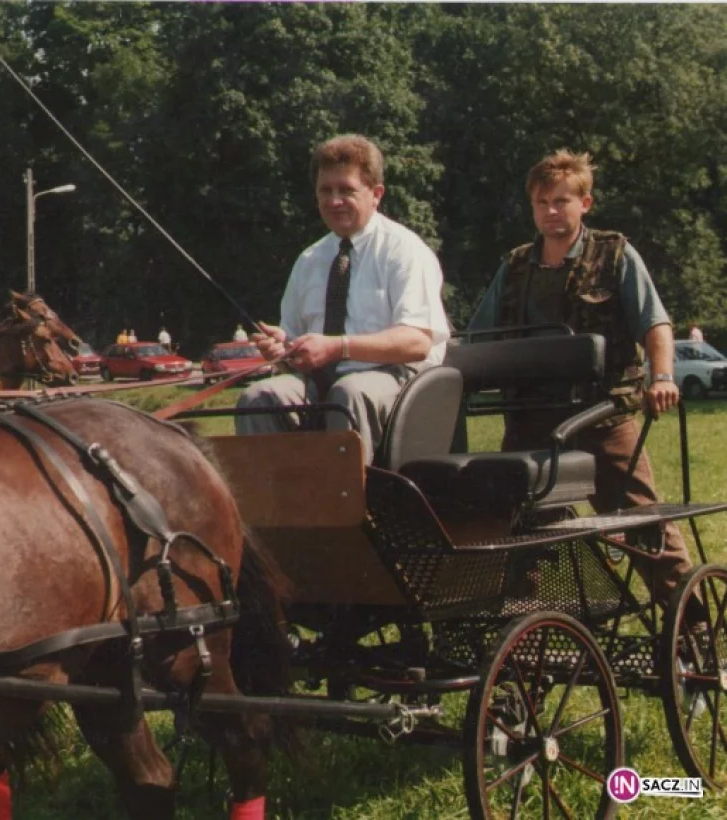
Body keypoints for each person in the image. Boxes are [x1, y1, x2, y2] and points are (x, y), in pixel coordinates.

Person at [467, 149, 692, 606]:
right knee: (514, 532)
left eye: (562, 201)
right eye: (542, 202)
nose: (551, 211)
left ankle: (694, 630)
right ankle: (520, 639)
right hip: (530, 421)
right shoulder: (514, 268)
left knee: (645, 525)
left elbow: (655, 324)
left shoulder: (614, 254)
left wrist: (662, 375)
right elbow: (477, 338)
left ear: (584, 203)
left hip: (602, 418)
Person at [235, 134, 451, 464]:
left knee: (348, 393)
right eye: (325, 191)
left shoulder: (404, 251)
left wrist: (338, 347)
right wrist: (283, 348)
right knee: (258, 397)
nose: (334, 201)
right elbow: (294, 348)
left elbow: (417, 341)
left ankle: (350, 511)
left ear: (376, 194)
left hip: (396, 382)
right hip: (320, 384)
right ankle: (270, 511)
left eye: (346, 190)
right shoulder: (309, 260)